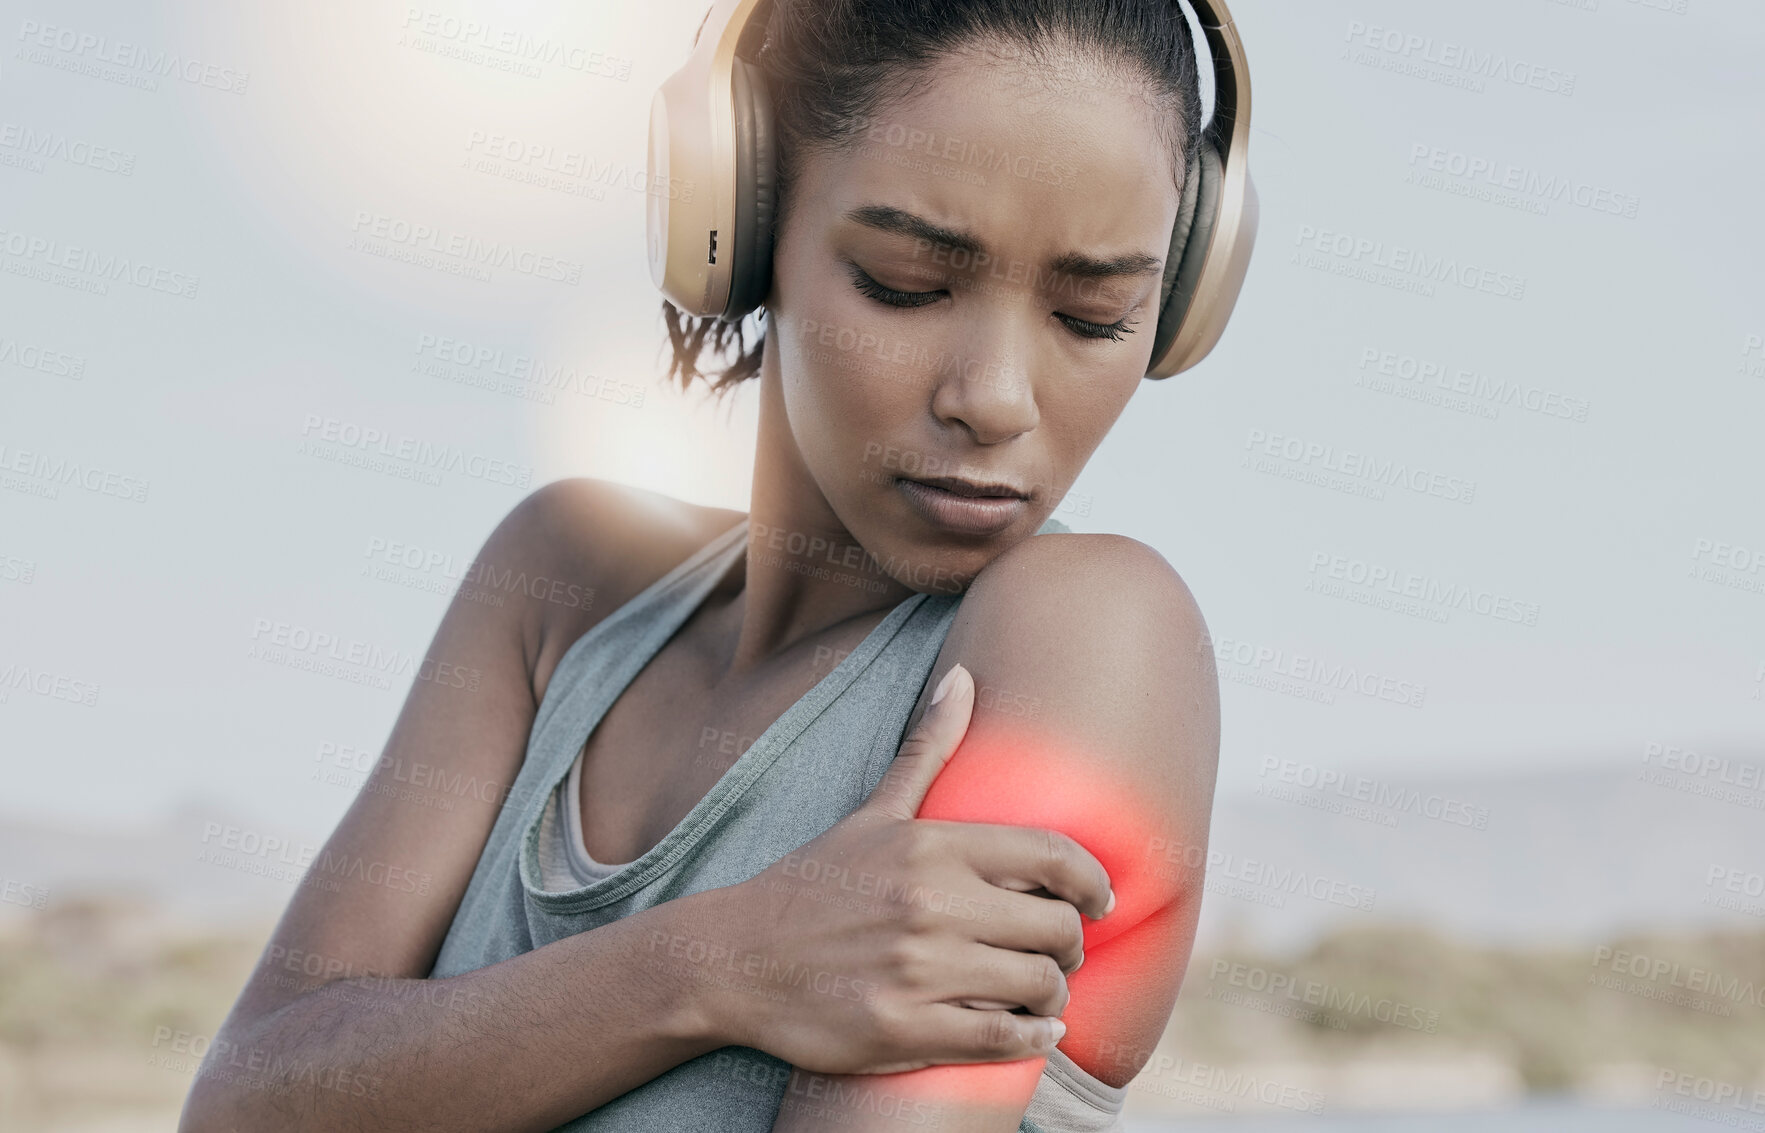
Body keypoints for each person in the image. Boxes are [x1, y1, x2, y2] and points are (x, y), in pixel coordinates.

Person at [181, 0, 1227, 1129]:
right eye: (904, 283)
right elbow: (246, 1102)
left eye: (1093, 314)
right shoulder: (562, 584)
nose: (994, 399)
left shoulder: (1088, 631)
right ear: (735, 215)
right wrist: (717, 964)